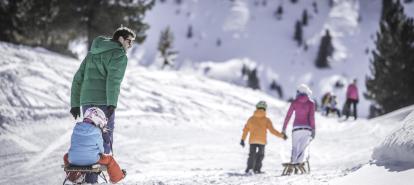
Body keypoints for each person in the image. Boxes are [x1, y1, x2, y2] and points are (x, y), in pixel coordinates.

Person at [69, 26, 135, 182]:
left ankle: (83, 174)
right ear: (120, 39)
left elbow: (78, 78)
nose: (130, 45)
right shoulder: (119, 54)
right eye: (129, 41)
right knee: (104, 140)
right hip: (104, 102)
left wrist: (75, 104)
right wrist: (112, 103)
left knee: (88, 135)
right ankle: (92, 180)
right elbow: (114, 80)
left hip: (86, 101)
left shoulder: (92, 53)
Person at [63, 107, 126, 184]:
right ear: (98, 121)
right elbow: (101, 150)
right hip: (92, 160)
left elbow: (74, 145)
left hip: (73, 159)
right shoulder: (97, 131)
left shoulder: (76, 128)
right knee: (110, 160)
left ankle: (74, 177)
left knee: (66, 156)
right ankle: (117, 177)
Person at [240, 101, 287, 174]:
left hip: (252, 140)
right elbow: (272, 131)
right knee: (260, 155)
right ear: (265, 109)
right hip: (262, 141)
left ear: (257, 108)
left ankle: (249, 169)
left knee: (252, 155)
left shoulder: (251, 119)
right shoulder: (266, 120)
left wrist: (243, 139)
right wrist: (282, 135)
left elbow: (246, 130)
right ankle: (257, 169)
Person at [282, 84, 315, 166]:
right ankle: (299, 165)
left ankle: (293, 163)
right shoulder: (311, 103)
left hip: (296, 128)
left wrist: (284, 128)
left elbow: (288, 115)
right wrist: (313, 129)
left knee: (295, 148)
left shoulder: (294, 102)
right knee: (302, 150)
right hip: (307, 129)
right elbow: (311, 117)